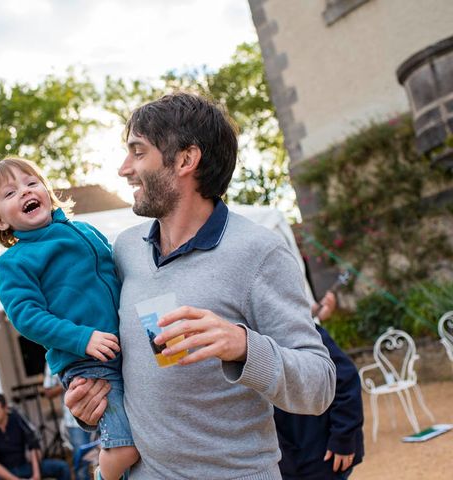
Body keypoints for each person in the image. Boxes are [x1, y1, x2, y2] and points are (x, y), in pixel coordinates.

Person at [65, 91, 337, 479]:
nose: (124, 169)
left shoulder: (258, 252)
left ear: (186, 160)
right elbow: (130, 368)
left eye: (138, 152)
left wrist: (243, 346)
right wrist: (89, 406)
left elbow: (320, 385)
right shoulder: (125, 250)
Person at [0, 156, 139, 480]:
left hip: (126, 347)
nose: (25, 192)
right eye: (10, 193)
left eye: (32, 183)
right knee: (126, 447)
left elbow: (119, 272)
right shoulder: (15, 262)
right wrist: (81, 338)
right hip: (87, 362)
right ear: (0, 221)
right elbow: (26, 316)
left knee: (147, 433)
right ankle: (102, 475)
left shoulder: (84, 230)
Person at [274, 290, 364, 479]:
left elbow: (346, 381)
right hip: (285, 461)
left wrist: (343, 438)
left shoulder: (302, 330)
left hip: (323, 452)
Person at [0, 393, 71, 480]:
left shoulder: (17, 419)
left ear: (5, 408)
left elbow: (33, 445)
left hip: (24, 467)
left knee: (62, 467)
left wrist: (36, 474)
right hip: (3, 473)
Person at [43, 364, 94, 480]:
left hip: (101, 412)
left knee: (108, 454)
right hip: (74, 421)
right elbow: (48, 392)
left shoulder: (91, 347)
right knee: (82, 462)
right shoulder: (53, 356)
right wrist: (67, 381)